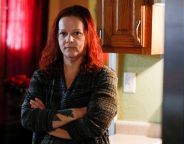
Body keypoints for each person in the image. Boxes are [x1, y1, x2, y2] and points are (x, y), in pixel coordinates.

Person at [21, 5, 118, 144]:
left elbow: (94, 126)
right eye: (63, 33)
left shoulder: (104, 77)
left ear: (88, 36)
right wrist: (77, 113)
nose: (69, 39)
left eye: (76, 33)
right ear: (57, 37)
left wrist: (45, 121)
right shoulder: (42, 76)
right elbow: (28, 118)